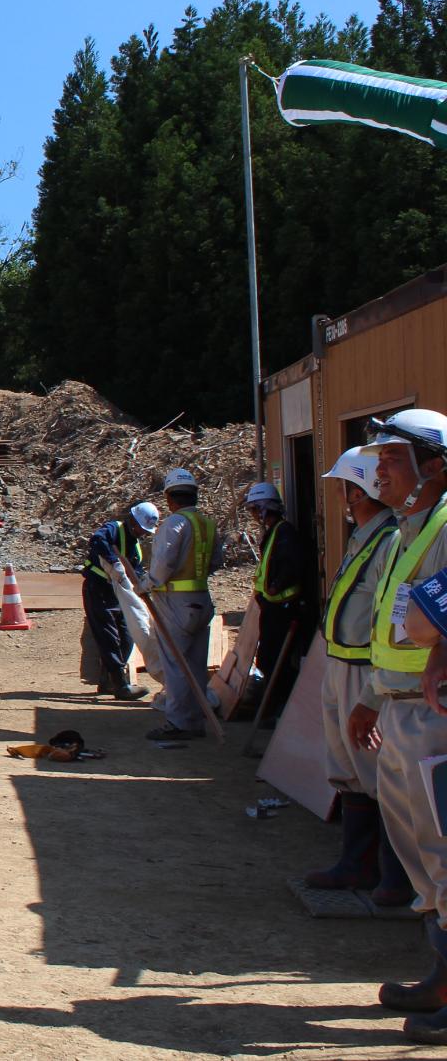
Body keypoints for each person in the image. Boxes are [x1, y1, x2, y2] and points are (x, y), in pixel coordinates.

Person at [353, 409, 447, 1042]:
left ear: (434, 467)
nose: (377, 469)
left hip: (435, 716)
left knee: (446, 856)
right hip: (401, 707)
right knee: (425, 861)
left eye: (391, 458)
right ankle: (442, 973)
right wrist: (372, 695)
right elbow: (392, 628)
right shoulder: (405, 531)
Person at [302, 447, 405, 903]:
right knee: (347, 765)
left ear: (356, 490)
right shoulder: (366, 536)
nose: (340, 497)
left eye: (344, 487)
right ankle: (357, 865)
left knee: (375, 769)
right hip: (343, 662)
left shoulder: (389, 541)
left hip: (367, 670)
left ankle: (393, 875)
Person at [133, 467, 222, 742]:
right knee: (195, 665)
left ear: (170, 498)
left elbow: (163, 564)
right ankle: (195, 720)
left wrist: (145, 584)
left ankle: (178, 722)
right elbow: (217, 561)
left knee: (175, 665)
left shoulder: (174, 524)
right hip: (201, 599)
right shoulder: (207, 524)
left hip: (175, 603)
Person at [246, 481, 316, 721]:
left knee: (275, 661)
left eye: (255, 509)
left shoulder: (284, 532)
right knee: (268, 659)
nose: (254, 515)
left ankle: (283, 711)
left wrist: (275, 587)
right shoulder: (275, 532)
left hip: (283, 609)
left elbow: (291, 565)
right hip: (272, 606)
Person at [81, 502, 157, 701]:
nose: (143, 533)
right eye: (141, 528)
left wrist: (142, 585)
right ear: (132, 521)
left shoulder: (136, 546)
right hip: (98, 588)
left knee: (127, 635)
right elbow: (97, 539)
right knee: (109, 637)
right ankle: (119, 684)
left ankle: (108, 680)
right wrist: (112, 561)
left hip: (119, 594)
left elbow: (136, 570)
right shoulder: (114, 529)